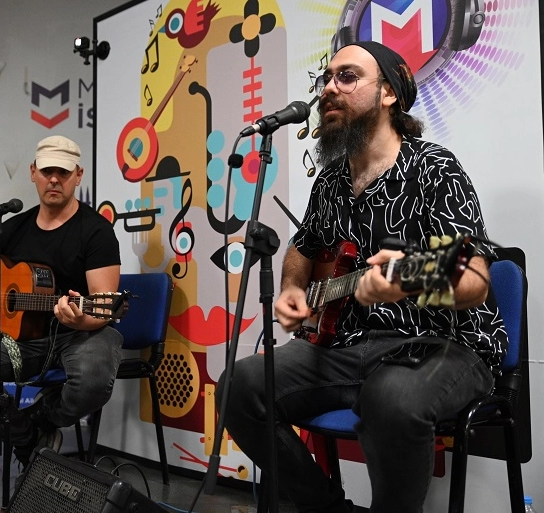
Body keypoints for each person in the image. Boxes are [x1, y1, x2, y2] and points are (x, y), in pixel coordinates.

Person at [217, 41, 507, 513]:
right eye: (325, 79)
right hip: (349, 349)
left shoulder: (434, 169)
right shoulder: (330, 180)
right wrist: (293, 288)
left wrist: (409, 279)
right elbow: (303, 249)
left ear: (389, 93)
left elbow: (473, 279)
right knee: (239, 384)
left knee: (390, 398)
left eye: (347, 78)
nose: (329, 89)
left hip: (443, 346)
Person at [0, 135, 123, 469]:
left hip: (80, 333)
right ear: (33, 172)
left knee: (93, 379)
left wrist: (78, 319)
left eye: (63, 171)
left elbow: (103, 305)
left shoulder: (96, 231)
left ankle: (43, 418)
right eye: (46, 171)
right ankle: (25, 437)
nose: (53, 179)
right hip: (26, 341)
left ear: (78, 175)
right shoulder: (15, 227)